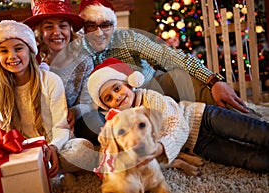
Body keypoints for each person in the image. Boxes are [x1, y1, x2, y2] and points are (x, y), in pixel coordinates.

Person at [87, 57, 269, 173]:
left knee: (253, 131)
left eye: (117, 88)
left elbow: (177, 124)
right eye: (109, 98)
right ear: (106, 106)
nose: (117, 97)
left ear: (129, 83)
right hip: (197, 145)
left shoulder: (151, 98)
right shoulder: (123, 123)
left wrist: (159, 148)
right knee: (245, 159)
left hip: (203, 117)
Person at [77, 0, 251, 114]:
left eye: (105, 25)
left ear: (113, 26)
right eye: (91, 26)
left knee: (182, 80)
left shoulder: (127, 38)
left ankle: (249, 119)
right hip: (114, 108)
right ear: (83, 29)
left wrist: (213, 80)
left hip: (150, 84)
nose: (99, 33)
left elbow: (167, 55)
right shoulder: (77, 52)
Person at [0, 20, 95, 177]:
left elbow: (60, 126)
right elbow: (6, 129)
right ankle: (40, 169)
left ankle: (52, 166)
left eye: (18, 48)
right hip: (24, 151)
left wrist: (53, 148)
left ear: (30, 51)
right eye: (3, 51)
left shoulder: (50, 81)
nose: (12, 56)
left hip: (54, 144)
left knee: (83, 149)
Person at [23, 0, 99, 145]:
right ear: (39, 32)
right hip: (36, 119)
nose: (57, 32)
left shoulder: (83, 61)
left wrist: (75, 112)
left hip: (71, 118)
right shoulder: (32, 61)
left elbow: (88, 101)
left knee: (96, 124)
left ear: (70, 30)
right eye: (49, 27)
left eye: (62, 26)